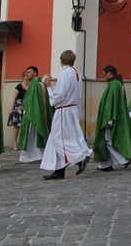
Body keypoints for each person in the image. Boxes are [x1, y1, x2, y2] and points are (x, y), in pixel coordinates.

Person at [40, 50, 92, 180]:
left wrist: (49, 88)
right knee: (55, 139)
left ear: (61, 61)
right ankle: (58, 170)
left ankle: (79, 157)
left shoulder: (65, 74)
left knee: (60, 139)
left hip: (64, 110)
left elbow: (60, 95)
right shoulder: (76, 73)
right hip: (72, 108)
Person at [92, 65, 131, 171]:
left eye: (104, 75)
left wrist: (108, 119)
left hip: (111, 118)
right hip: (115, 116)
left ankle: (124, 158)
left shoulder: (114, 85)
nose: (104, 77)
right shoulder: (117, 84)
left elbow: (110, 103)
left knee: (109, 140)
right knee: (107, 140)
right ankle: (105, 165)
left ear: (110, 73)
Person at [18, 69, 54, 163]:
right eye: (26, 72)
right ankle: (37, 155)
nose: (26, 74)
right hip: (37, 113)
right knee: (34, 137)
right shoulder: (40, 84)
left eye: (29, 72)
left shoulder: (34, 85)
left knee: (31, 136)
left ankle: (31, 156)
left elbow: (31, 101)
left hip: (32, 114)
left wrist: (27, 109)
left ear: (35, 73)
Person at [7, 69, 31, 151]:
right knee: (16, 126)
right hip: (18, 107)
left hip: (27, 107)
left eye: (27, 77)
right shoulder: (19, 86)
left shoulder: (31, 86)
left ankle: (24, 144)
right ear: (23, 77)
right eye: (25, 77)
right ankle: (14, 144)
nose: (26, 79)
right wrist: (11, 108)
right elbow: (13, 98)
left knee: (26, 126)